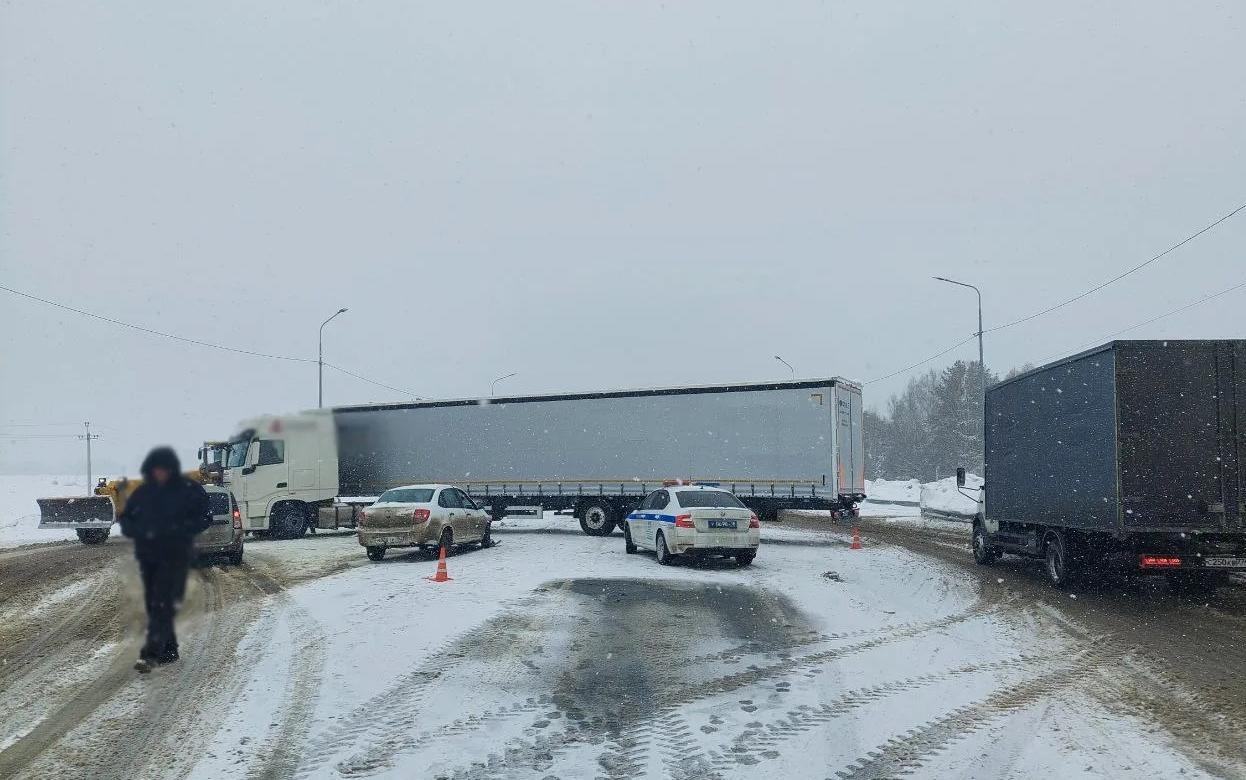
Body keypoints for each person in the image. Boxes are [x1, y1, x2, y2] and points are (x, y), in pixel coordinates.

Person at [118, 446, 211, 672]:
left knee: (163, 603)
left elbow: (205, 516)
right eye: (156, 469)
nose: (160, 473)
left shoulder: (188, 490)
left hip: (176, 556)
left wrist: (181, 529)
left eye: (164, 469)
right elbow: (127, 521)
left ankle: (150, 654)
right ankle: (169, 650)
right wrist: (138, 529)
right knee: (156, 605)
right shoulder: (143, 493)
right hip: (149, 558)